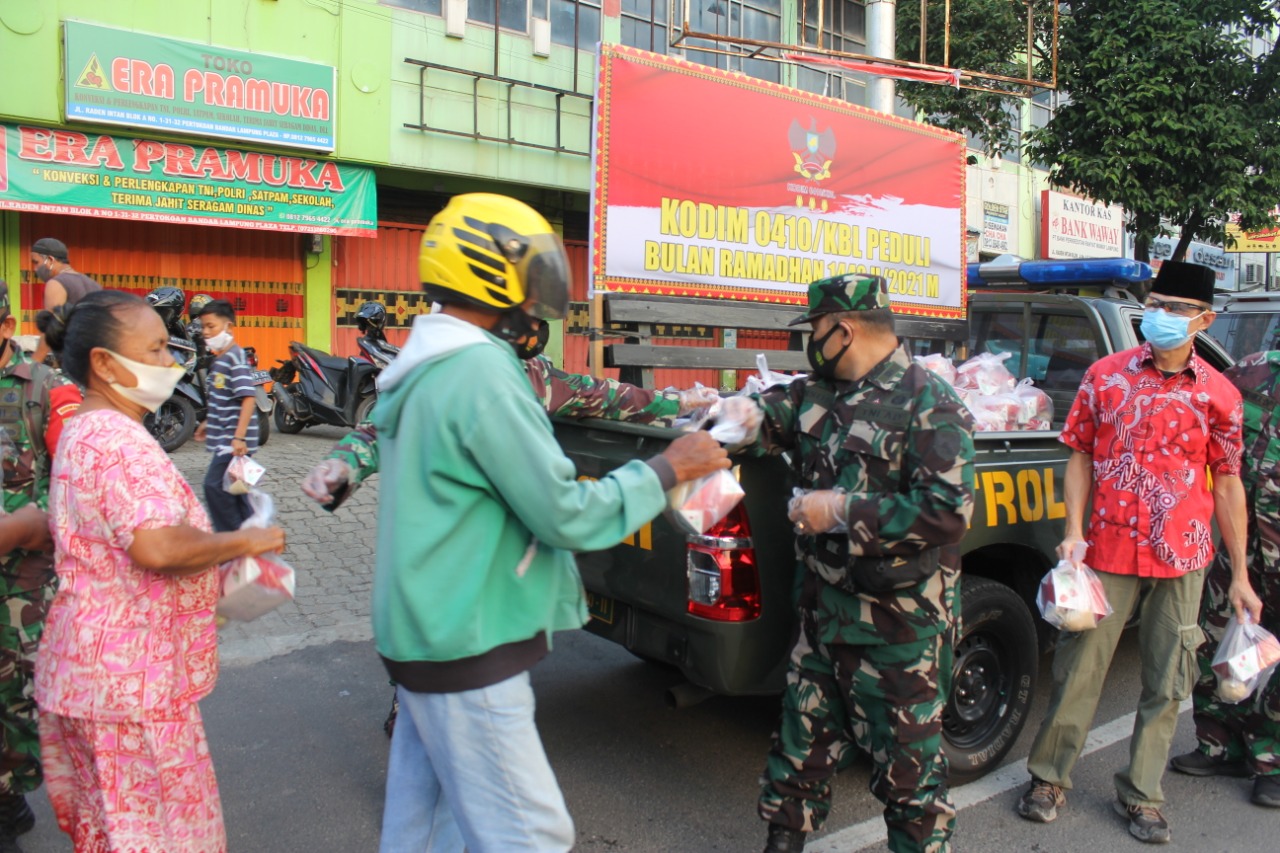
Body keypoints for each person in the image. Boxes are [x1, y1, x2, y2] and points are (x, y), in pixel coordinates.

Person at [369, 193, 729, 853]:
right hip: (464, 642)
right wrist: (667, 468)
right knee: (528, 835)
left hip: (421, 633)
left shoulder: (420, 365)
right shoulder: (479, 371)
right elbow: (566, 513)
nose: (539, 303)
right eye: (532, 279)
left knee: (426, 826)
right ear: (491, 275)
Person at [718, 274, 975, 853]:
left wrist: (839, 511)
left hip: (898, 636)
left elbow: (945, 514)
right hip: (822, 620)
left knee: (911, 790)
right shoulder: (817, 392)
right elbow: (763, 420)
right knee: (796, 762)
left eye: (813, 329)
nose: (809, 341)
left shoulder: (930, 404)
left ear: (843, 329)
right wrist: (733, 416)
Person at [1016, 260, 1258, 844]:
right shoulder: (1105, 375)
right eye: (1157, 302)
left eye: (1177, 308)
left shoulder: (1220, 396)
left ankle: (1143, 794)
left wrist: (1243, 575)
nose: (1162, 316)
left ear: (1204, 319)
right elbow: (1079, 454)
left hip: (1185, 557)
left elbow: (1227, 484)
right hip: (1106, 552)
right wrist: (1072, 529)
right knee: (1078, 670)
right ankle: (1049, 778)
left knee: (1169, 679)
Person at [33, 291, 285, 853]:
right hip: (130, 686)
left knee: (115, 828)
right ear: (104, 363)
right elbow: (155, 545)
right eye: (154, 350)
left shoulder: (85, 425)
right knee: (160, 835)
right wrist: (245, 540)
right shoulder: (120, 440)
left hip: (92, 673)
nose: (170, 364)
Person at [1169, 349, 1280, 808]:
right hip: (1236, 543)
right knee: (1215, 641)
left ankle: (1270, 760)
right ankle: (1218, 744)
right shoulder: (1248, 370)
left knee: (1273, 655)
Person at [0, 282, 81, 852]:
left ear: (5, 328)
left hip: (20, 587)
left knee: (19, 702)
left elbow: (78, 487)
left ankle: (9, 797)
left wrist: (39, 524)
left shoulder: (44, 390)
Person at [192, 299, 260, 532]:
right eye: (204, 327)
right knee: (237, 491)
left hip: (233, 443)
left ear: (228, 326)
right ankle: (252, 535)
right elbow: (225, 400)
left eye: (211, 326)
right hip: (227, 439)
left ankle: (231, 538)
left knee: (214, 486)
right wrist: (208, 422)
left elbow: (248, 397)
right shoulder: (220, 359)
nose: (206, 332)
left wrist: (239, 438)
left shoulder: (234, 357)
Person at [30, 238, 101, 364]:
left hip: (73, 362)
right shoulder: (94, 284)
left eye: (36, 262)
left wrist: (33, 365)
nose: (35, 268)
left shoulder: (56, 283)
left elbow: (50, 329)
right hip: (95, 362)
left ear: (50, 260)